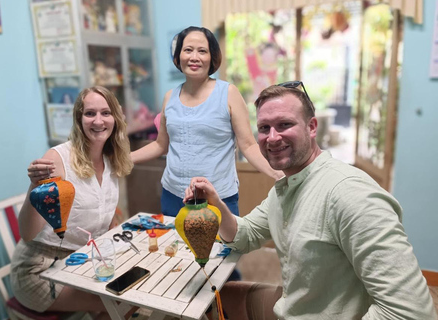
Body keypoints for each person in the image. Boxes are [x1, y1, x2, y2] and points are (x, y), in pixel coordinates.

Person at [184, 82, 438, 319]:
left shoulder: (350, 194)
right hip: (297, 304)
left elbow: (411, 312)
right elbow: (244, 236)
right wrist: (215, 203)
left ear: (312, 127)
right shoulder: (288, 186)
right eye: (264, 128)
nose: (272, 137)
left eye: (284, 124)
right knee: (211, 297)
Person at [131, 26, 282, 218]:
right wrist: (125, 158)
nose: (194, 57)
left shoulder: (228, 93)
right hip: (173, 194)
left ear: (212, 57)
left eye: (202, 51)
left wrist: (278, 173)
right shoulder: (170, 97)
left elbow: (248, 145)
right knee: (174, 247)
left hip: (217, 198)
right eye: (188, 50)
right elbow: (161, 145)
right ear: (178, 57)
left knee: (221, 248)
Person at [11, 86, 134, 318]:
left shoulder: (111, 158)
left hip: (80, 265)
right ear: (79, 119)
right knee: (122, 300)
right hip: (40, 271)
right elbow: (27, 233)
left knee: (135, 285)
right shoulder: (57, 161)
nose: (98, 120)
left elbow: (102, 214)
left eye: (106, 113)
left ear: (116, 118)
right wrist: (34, 187)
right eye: (89, 113)